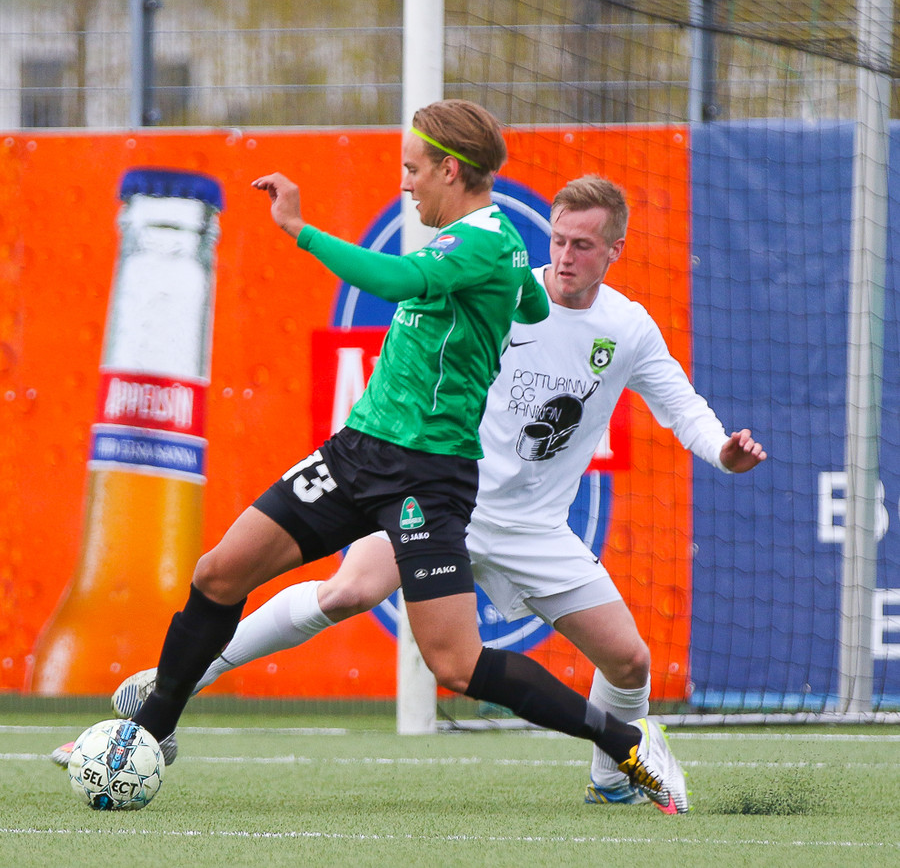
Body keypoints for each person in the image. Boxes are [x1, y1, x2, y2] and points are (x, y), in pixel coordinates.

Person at [60, 172, 766, 813]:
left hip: (535, 526)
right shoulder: (504, 292)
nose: (565, 255)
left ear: (615, 249)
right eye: (557, 239)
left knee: (630, 660)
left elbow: (682, 407)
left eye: (583, 245)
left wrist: (722, 451)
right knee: (347, 591)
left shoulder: (628, 328)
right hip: (444, 496)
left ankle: (614, 775)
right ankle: (174, 686)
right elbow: (420, 294)